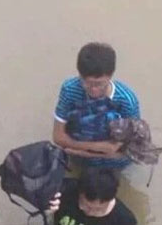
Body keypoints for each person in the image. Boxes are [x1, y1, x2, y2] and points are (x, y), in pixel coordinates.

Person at [52, 42, 140, 170]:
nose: (93, 89)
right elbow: (58, 137)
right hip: (78, 160)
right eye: (86, 83)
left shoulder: (127, 101)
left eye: (99, 84)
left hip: (112, 166)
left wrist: (79, 150)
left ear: (110, 76)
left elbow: (133, 149)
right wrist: (98, 147)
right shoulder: (69, 89)